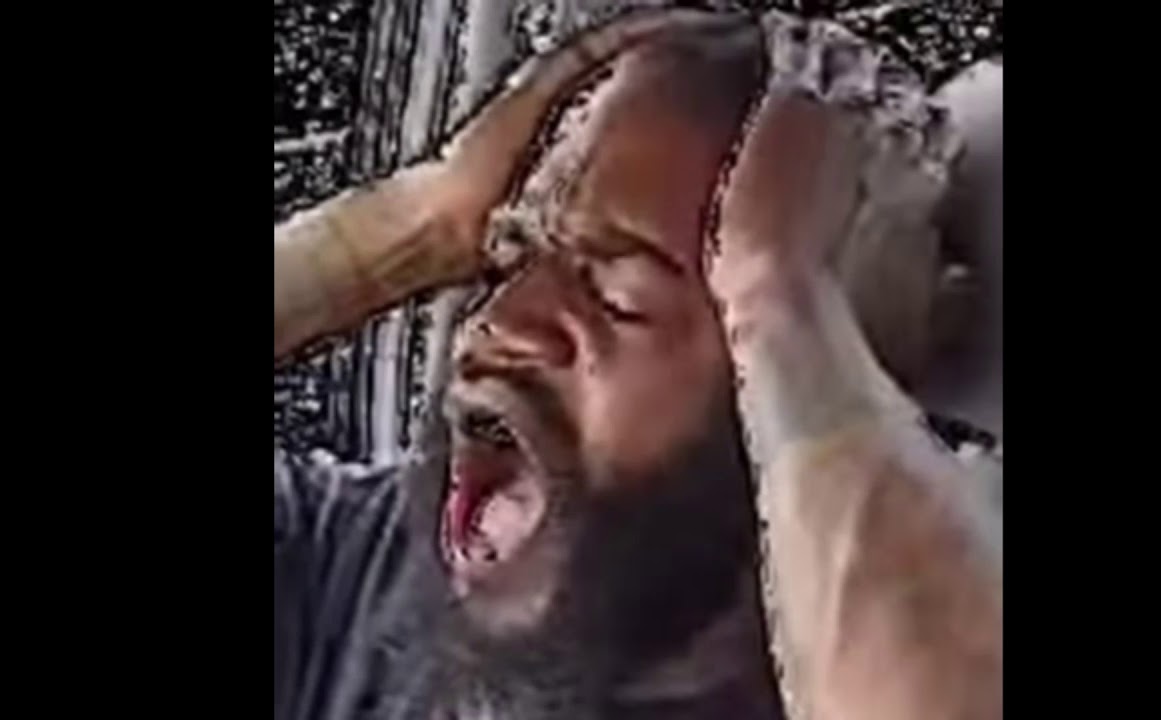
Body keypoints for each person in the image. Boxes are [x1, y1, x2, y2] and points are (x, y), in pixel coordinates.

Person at [274, 9, 1001, 720]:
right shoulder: (364, 580)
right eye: (511, 256)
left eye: (617, 298)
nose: (494, 323)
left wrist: (776, 290)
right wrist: (411, 231)